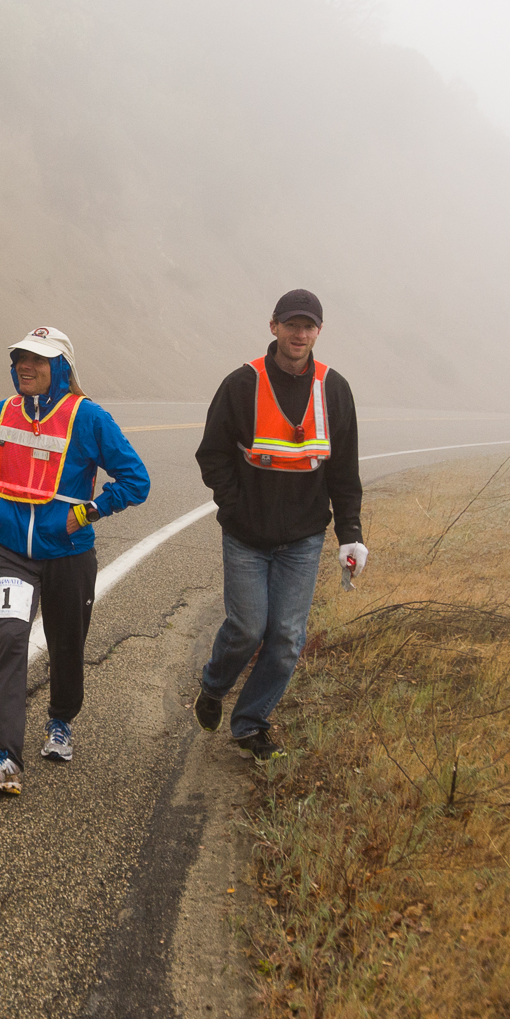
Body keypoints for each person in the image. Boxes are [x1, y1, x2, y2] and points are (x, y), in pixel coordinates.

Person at [0, 326, 150, 795]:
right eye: (20, 358)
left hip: (69, 555)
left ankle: (61, 720)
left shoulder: (89, 418)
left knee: (66, 645)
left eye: (39, 360)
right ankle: (7, 757)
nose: (25, 367)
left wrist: (87, 511)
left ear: (62, 368)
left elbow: (136, 480)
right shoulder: (2, 412)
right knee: (10, 638)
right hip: (9, 551)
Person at [193, 288, 366, 761]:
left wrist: (351, 534)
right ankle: (213, 686)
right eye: (292, 324)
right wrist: (234, 508)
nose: (300, 333)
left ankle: (250, 723)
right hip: (247, 538)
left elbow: (344, 471)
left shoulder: (334, 389)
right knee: (248, 628)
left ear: (319, 332)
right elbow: (212, 454)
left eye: (308, 326)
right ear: (274, 327)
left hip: (303, 541)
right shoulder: (242, 383)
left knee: (287, 637)